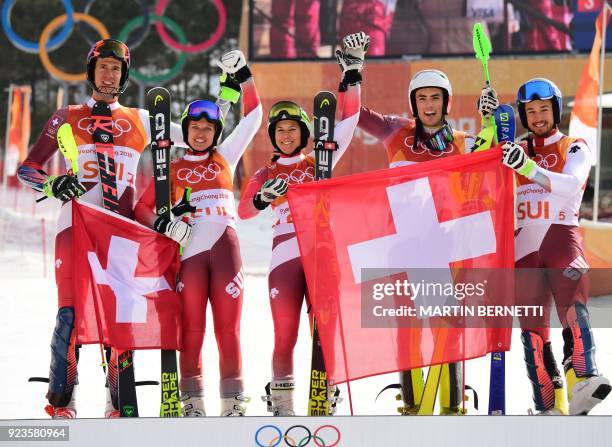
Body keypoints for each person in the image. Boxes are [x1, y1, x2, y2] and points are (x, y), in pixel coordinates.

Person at [16, 39, 193, 418]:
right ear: (91, 71)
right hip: (75, 225)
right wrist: (52, 184)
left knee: (119, 312)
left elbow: (203, 134)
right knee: (70, 313)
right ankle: (64, 402)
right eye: (103, 67)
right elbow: (28, 168)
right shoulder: (66, 116)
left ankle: (118, 400)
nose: (109, 74)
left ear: (124, 75)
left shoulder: (142, 119)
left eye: (116, 68)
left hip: (121, 232)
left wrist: (231, 86)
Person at [236, 32, 367, 416]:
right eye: (280, 131)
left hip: (321, 253)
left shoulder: (318, 163)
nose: (287, 135)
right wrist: (262, 197)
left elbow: (350, 119)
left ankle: (323, 394)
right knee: (285, 334)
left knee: (324, 330)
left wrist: (353, 75)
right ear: (273, 138)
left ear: (305, 134)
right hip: (284, 259)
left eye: (293, 129)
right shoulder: (265, 171)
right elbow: (244, 211)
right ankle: (282, 403)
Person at [356, 64, 498, 414]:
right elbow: (352, 115)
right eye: (422, 98)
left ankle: (452, 406)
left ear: (446, 102)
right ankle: (412, 403)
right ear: (413, 103)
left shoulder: (463, 143)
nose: (429, 104)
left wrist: (492, 119)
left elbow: (491, 162)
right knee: (407, 328)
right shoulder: (396, 132)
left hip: (443, 248)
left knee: (446, 327)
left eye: (436, 97)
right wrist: (352, 75)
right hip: (403, 245)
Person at [134, 50, 262, 417]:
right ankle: (191, 402)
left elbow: (253, 118)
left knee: (229, 329)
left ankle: (233, 402)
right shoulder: (169, 167)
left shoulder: (225, 156)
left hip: (226, 252)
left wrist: (243, 76)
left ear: (215, 132)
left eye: (208, 128)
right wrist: (164, 225)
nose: (202, 133)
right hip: (188, 255)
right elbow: (141, 208)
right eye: (195, 128)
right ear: (185, 132)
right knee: (191, 329)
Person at [500, 78, 610, 415]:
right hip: (523, 254)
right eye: (530, 111)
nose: (537, 117)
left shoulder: (574, 145)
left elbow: (572, 183)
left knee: (572, 310)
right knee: (533, 334)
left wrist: (527, 168)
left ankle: (585, 379)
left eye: (543, 109)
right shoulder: (512, 152)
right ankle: (548, 403)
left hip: (561, 241)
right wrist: (489, 124)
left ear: (556, 110)